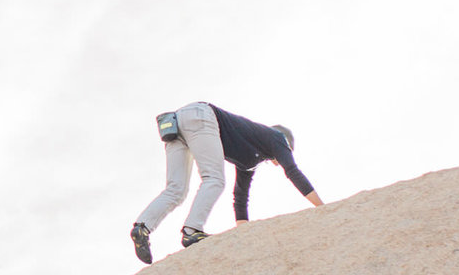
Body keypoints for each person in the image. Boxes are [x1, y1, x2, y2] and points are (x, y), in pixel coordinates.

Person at [131, 101, 321, 262]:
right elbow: (293, 171)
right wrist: (322, 208)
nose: (278, 162)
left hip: (177, 123)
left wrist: (243, 234)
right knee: (214, 179)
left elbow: (240, 196)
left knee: (176, 190)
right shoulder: (277, 138)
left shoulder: (250, 159)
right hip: (202, 116)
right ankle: (192, 230)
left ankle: (142, 228)